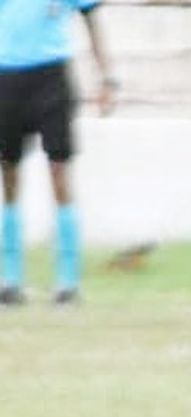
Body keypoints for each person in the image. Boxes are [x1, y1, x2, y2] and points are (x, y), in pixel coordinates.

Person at [0, 0, 116, 305]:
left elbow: (91, 18)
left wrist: (107, 77)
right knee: (9, 174)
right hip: (7, 76)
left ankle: (68, 281)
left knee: (59, 171)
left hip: (51, 78)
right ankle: (10, 279)